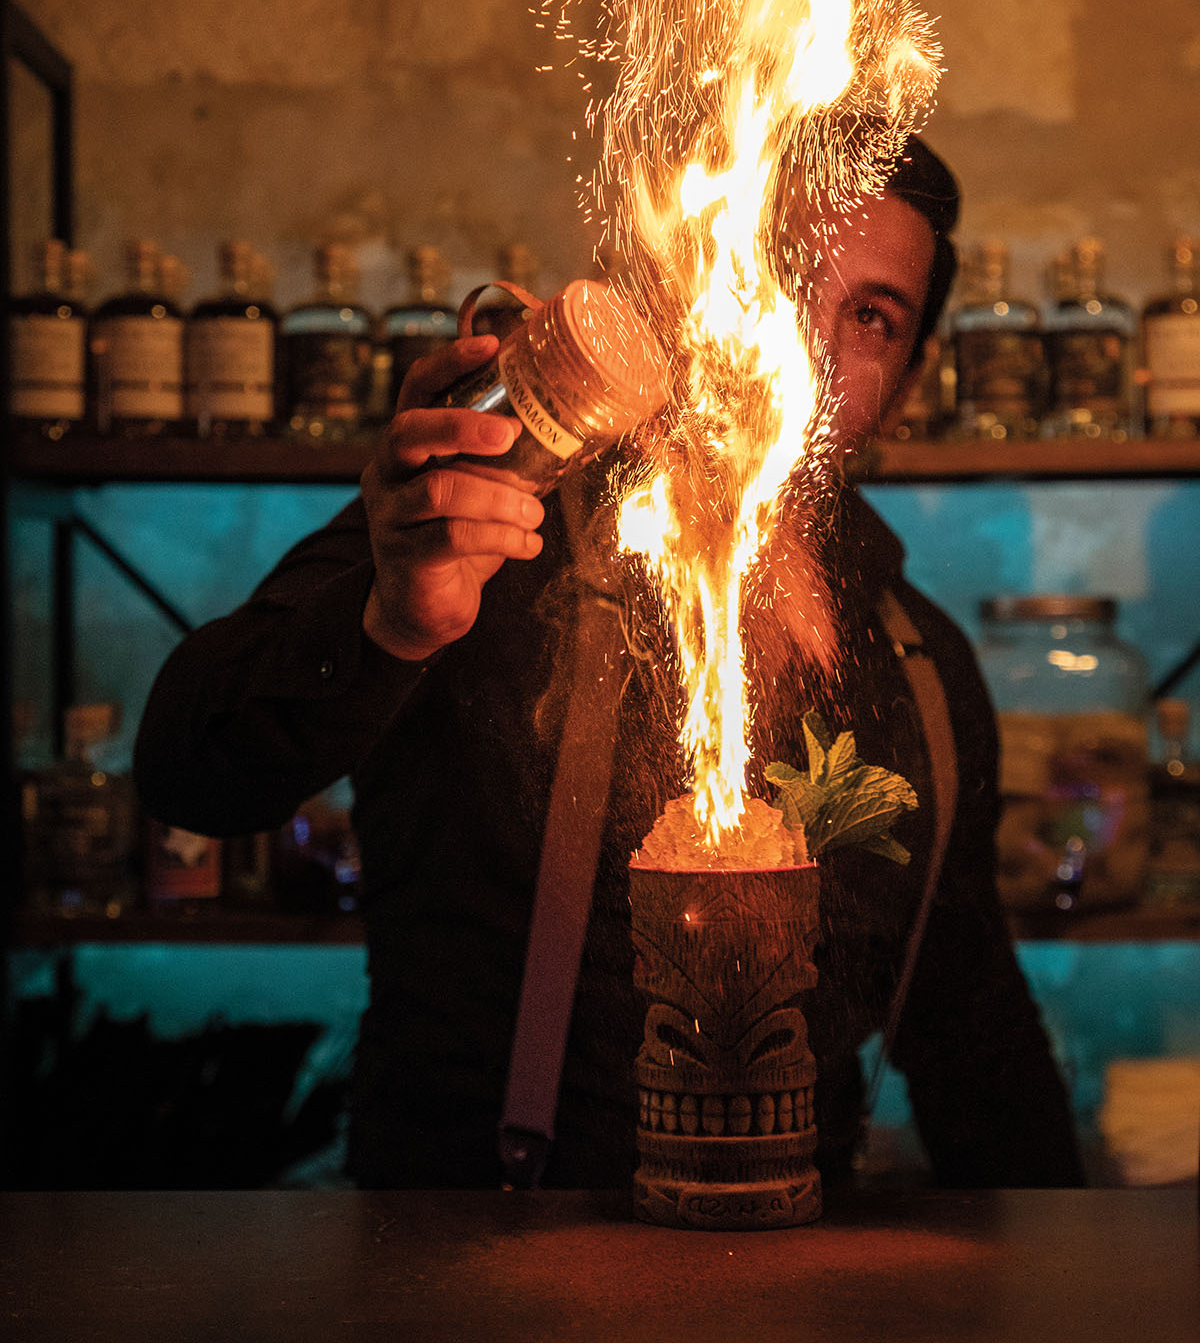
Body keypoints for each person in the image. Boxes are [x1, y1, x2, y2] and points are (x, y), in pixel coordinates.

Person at [133, 137, 1085, 1191]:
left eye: (871, 317)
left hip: (797, 1286)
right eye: (781, 273)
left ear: (905, 386)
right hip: (469, 1275)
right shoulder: (488, 527)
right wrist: (389, 625)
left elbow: (975, 1042)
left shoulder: (924, 672)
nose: (800, 340)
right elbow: (187, 764)